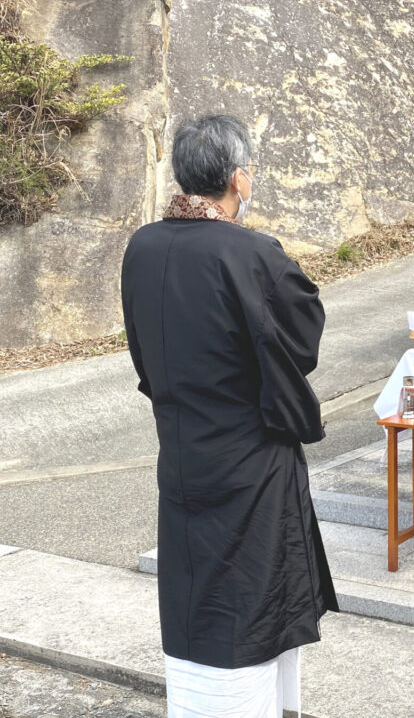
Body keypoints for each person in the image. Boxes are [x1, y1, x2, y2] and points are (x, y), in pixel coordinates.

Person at [120, 114, 339, 717]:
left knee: (196, 595)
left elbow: (142, 349)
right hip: (251, 462)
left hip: (184, 450)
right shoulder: (251, 254)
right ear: (239, 180)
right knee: (252, 600)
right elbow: (300, 342)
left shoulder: (142, 247)